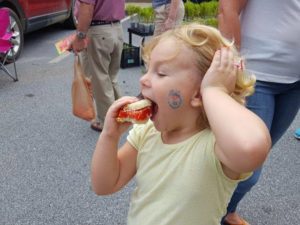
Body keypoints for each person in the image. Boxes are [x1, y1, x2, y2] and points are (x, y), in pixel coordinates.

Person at [90, 23, 271, 225]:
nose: (143, 80)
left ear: (198, 93)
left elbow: (251, 147)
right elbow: (104, 185)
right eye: (148, 70)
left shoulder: (215, 147)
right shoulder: (146, 131)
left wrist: (214, 90)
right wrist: (109, 136)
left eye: (161, 73)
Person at [218, 1, 300, 224]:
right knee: (247, 166)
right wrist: (235, 70)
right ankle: (208, 214)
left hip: (295, 82)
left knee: (259, 154)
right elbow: (228, 8)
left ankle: (227, 211)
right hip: (256, 78)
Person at [71, 0, 125, 132]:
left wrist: (79, 37)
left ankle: (107, 121)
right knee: (110, 77)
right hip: (116, 28)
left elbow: (87, 8)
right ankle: (121, 113)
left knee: (100, 79)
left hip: (98, 31)